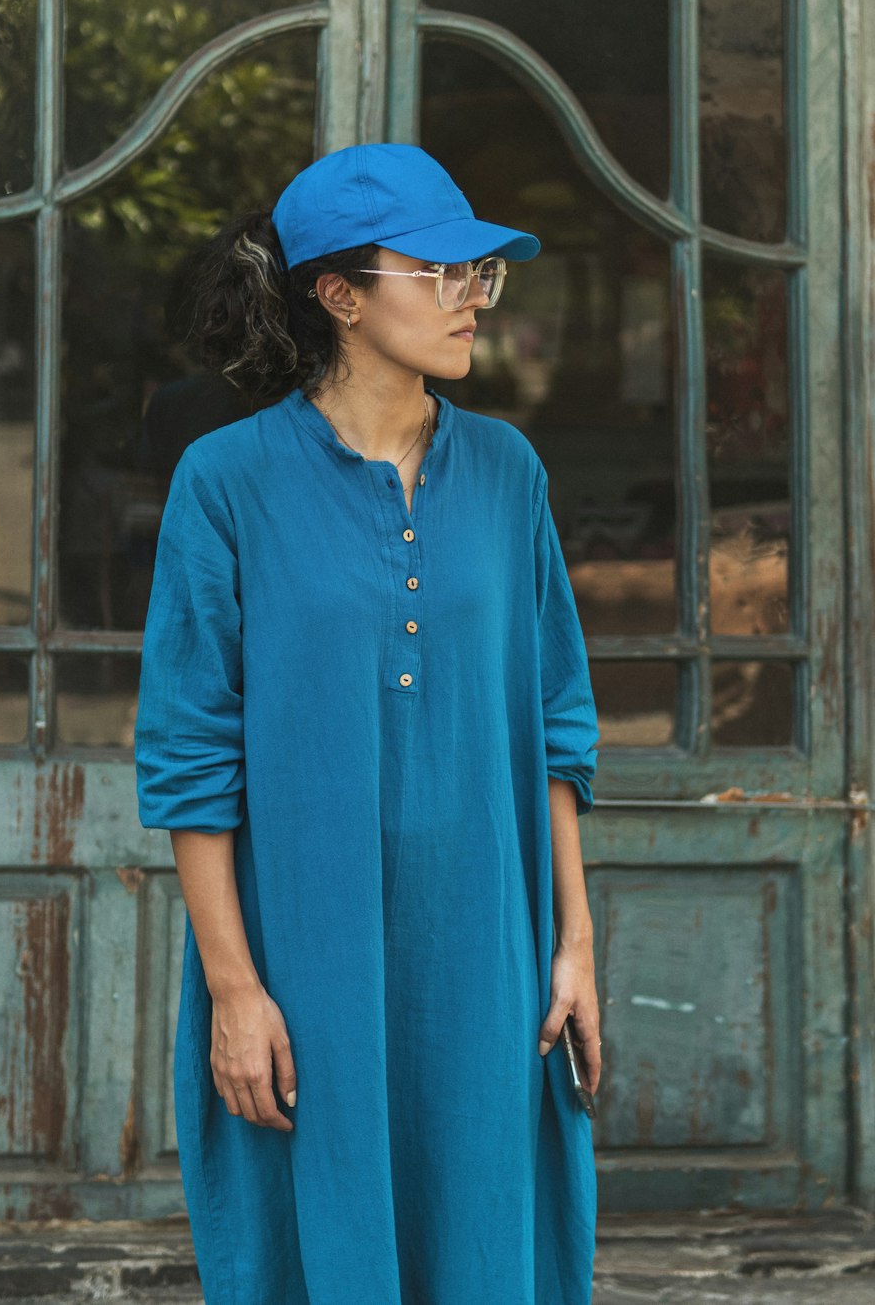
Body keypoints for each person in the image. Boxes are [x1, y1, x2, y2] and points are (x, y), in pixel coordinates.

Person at [134, 141, 603, 1305]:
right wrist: (236, 991)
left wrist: (576, 941)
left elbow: (556, 720)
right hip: (307, 948)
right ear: (338, 294)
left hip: (483, 948)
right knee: (317, 1243)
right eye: (437, 271)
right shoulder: (224, 481)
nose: (469, 300)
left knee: (485, 1234)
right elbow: (191, 755)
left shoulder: (507, 472)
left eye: (479, 274)